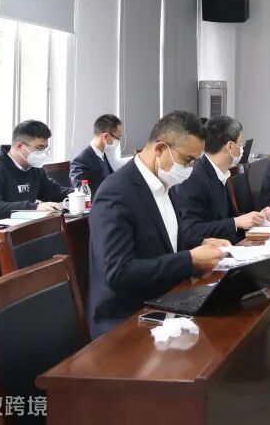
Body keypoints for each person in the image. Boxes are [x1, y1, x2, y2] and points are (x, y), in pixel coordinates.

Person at [87, 111, 227, 337]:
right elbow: (118, 272)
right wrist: (190, 259)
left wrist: (201, 244)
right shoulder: (116, 193)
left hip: (166, 299)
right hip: (126, 318)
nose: (191, 169)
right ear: (161, 148)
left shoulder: (164, 184)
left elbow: (162, 243)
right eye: (188, 160)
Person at [173, 116, 270, 247]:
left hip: (228, 247)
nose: (243, 148)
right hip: (208, 253)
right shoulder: (193, 179)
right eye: (241, 143)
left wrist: (256, 218)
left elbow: (226, 219)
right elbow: (190, 231)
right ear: (230, 147)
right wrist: (236, 222)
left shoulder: (220, 172)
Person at [0, 120, 72, 229]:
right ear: (19, 146)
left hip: (17, 229)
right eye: (38, 148)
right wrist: (35, 207)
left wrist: (79, 193)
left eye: (45, 149)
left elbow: (55, 192)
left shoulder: (34, 169)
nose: (43, 154)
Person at [69, 113, 124, 188]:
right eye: (117, 138)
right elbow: (81, 191)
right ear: (106, 136)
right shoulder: (80, 161)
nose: (118, 142)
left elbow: (111, 178)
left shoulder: (101, 154)